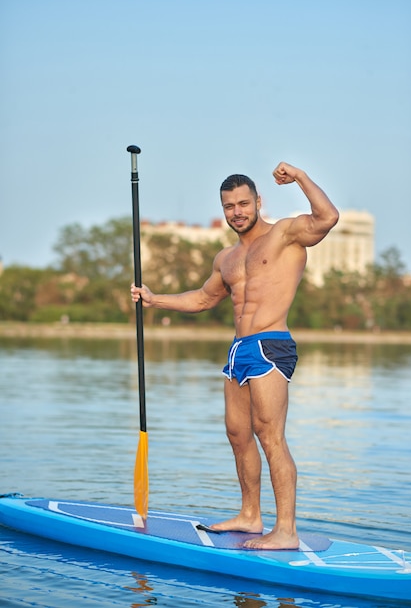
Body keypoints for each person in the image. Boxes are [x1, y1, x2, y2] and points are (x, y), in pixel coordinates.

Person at [131, 162, 339, 550]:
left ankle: (287, 531)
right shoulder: (225, 258)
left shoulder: (284, 234)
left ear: (258, 201)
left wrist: (300, 177)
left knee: (270, 435)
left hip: (270, 345)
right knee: (238, 435)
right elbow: (205, 298)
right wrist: (154, 298)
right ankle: (250, 514)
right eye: (230, 206)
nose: (237, 212)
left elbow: (327, 217)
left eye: (244, 203)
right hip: (238, 349)